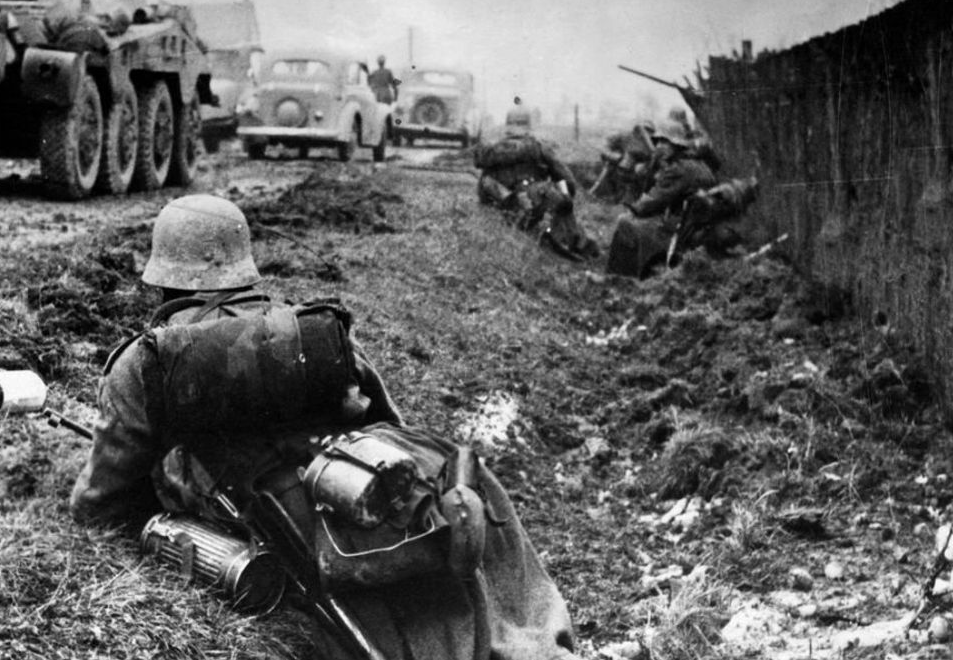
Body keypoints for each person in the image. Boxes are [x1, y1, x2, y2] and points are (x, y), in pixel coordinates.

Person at [72, 193, 578, 660]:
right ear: (244, 263)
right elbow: (386, 421)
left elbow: (101, 503)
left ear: (163, 274)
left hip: (278, 526)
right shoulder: (310, 330)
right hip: (362, 487)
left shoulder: (145, 363)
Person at [606, 121, 756, 277]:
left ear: (675, 145)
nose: (659, 146)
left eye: (664, 142)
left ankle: (618, 276)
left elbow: (653, 201)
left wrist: (633, 208)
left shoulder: (677, 169)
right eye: (658, 142)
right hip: (695, 228)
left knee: (625, 222)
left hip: (678, 232)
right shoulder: (701, 165)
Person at [473, 114, 598, 260]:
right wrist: (566, 195)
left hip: (502, 210)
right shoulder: (538, 147)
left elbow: (483, 188)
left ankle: (558, 236)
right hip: (535, 204)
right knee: (558, 199)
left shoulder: (490, 150)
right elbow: (566, 180)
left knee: (489, 181)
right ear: (528, 127)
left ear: (507, 126)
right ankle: (573, 242)